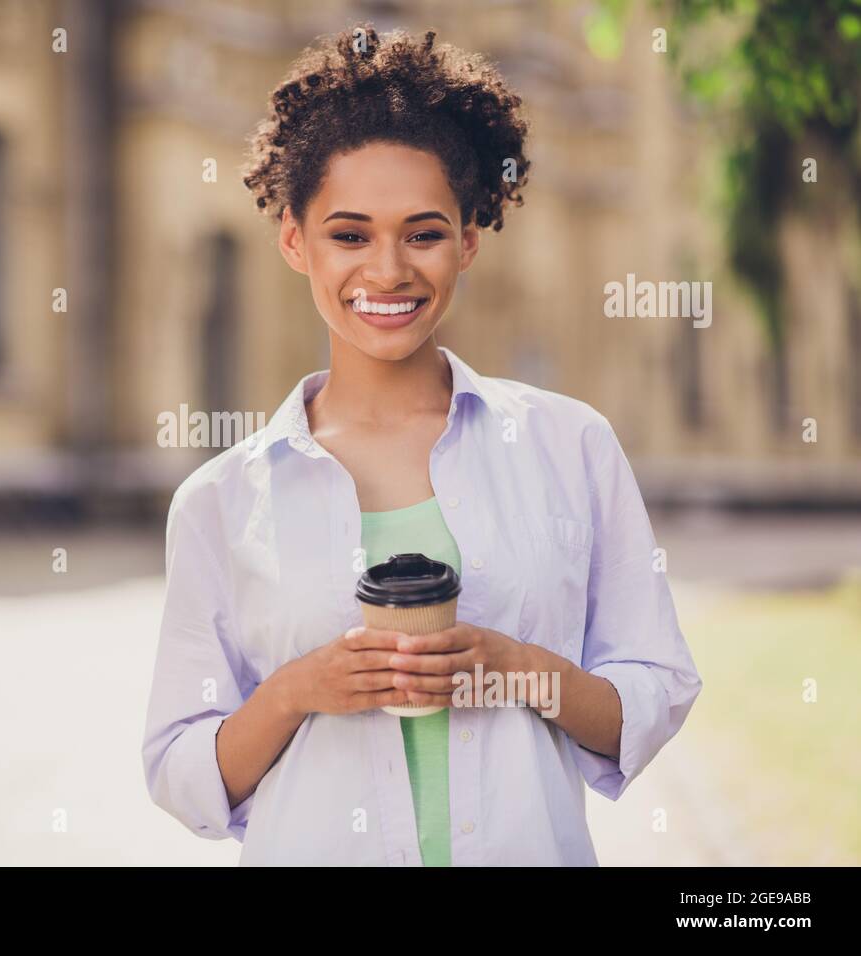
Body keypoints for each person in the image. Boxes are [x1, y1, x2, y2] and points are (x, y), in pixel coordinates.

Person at [141, 23, 702, 866]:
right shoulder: (222, 501)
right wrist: (300, 689)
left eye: (425, 233)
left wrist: (520, 668)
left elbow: (655, 693)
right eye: (350, 234)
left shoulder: (570, 445)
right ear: (295, 241)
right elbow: (181, 770)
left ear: (469, 241)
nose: (389, 270)